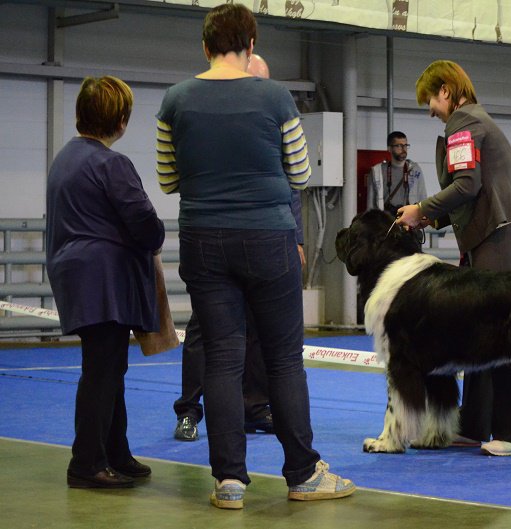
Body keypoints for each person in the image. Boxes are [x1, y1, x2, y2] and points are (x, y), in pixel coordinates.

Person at [156, 3, 354, 508]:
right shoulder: (275, 97)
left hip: (202, 239)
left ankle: (229, 481)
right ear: (251, 45)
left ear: (204, 46)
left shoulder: (174, 101)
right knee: (285, 360)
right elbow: (301, 175)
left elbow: (168, 180)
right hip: (268, 238)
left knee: (222, 359)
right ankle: (303, 475)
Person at [396, 59, 511, 457]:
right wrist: (429, 216)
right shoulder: (467, 123)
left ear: (445, 90)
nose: (428, 109)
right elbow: (466, 190)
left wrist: (421, 209)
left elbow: (466, 185)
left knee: (501, 333)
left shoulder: (464, 122)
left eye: (430, 100)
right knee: (478, 332)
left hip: (499, 234)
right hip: (490, 235)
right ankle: (473, 426)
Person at [172, 54, 305, 442]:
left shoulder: (270, 112)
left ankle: (255, 409)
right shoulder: (214, 113)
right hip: (225, 239)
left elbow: (292, 182)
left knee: (259, 338)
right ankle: (189, 410)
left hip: (261, 238)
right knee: (207, 336)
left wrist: (295, 236)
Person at [46, 76, 165, 488]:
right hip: (104, 282)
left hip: (75, 276)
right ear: (121, 120)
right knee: (102, 371)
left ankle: (116, 451)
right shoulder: (111, 164)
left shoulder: (65, 157)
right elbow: (146, 225)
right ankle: (87, 462)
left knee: (109, 367)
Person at [366, 131, 427, 216]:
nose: (403, 149)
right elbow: (370, 206)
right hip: (386, 222)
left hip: (409, 221)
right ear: (389, 148)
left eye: (405, 145)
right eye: (399, 146)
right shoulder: (377, 172)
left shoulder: (415, 170)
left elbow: (423, 199)